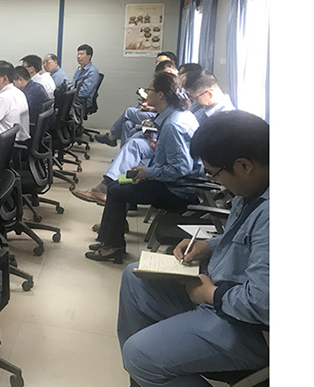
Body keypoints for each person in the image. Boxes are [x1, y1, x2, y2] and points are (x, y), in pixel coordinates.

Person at [118, 110, 269, 386]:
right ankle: (146, 377)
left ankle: (147, 365)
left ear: (244, 166)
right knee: (135, 276)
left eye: (215, 174)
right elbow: (248, 240)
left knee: (139, 355)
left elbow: (264, 304)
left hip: (251, 327)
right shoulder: (251, 191)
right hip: (222, 294)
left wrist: (212, 295)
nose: (217, 182)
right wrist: (208, 246)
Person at [84, 71, 203, 262]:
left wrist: (147, 172)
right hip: (173, 180)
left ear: (160, 95)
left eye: (149, 90)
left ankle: (112, 246)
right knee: (118, 182)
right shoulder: (176, 114)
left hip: (178, 189)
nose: (146, 93)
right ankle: (109, 240)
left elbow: (180, 170)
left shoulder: (173, 125)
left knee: (116, 191)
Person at [95, 60, 186, 147]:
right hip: (156, 122)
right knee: (127, 124)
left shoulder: (174, 120)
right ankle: (123, 153)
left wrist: (150, 112)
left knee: (130, 114)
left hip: (158, 133)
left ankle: (112, 137)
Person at [73, 44, 100, 108]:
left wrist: (71, 95)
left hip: (82, 101)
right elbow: (73, 85)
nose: (78, 57)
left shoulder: (93, 72)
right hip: (75, 98)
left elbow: (85, 92)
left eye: (81, 54)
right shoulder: (79, 69)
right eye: (78, 54)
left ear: (89, 57)